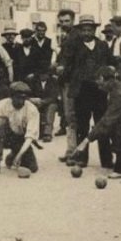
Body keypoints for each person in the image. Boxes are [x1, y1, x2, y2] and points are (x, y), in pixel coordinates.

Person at [61, 14, 113, 168]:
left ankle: (106, 159)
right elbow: (66, 63)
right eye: (83, 30)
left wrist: (109, 74)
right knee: (82, 125)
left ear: (95, 30)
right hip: (81, 91)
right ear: (80, 31)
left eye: (90, 30)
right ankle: (82, 158)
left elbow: (110, 64)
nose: (86, 33)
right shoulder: (73, 45)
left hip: (99, 91)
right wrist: (63, 71)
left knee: (101, 124)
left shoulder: (103, 46)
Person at [0, 82, 40, 176]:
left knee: (33, 167)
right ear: (11, 97)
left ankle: (12, 156)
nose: (20, 101)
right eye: (18, 98)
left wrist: (19, 155)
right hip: (3, 137)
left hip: (20, 139)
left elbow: (29, 137)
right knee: (0, 121)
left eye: (23, 98)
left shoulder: (32, 109)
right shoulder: (0, 106)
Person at [53, 8, 80, 150]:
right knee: (69, 115)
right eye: (61, 21)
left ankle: (73, 150)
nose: (64, 24)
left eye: (67, 21)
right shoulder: (67, 36)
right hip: (66, 81)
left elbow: (76, 61)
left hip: (72, 82)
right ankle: (72, 149)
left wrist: (62, 68)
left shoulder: (76, 37)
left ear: (73, 20)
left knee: (71, 115)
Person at [25, 70, 60, 142]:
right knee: (31, 108)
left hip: (49, 102)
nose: (43, 76)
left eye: (45, 74)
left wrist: (42, 102)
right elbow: (28, 95)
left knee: (51, 108)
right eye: (41, 74)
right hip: (36, 102)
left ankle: (47, 133)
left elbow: (54, 96)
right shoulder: (33, 81)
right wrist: (32, 100)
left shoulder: (53, 80)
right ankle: (35, 131)